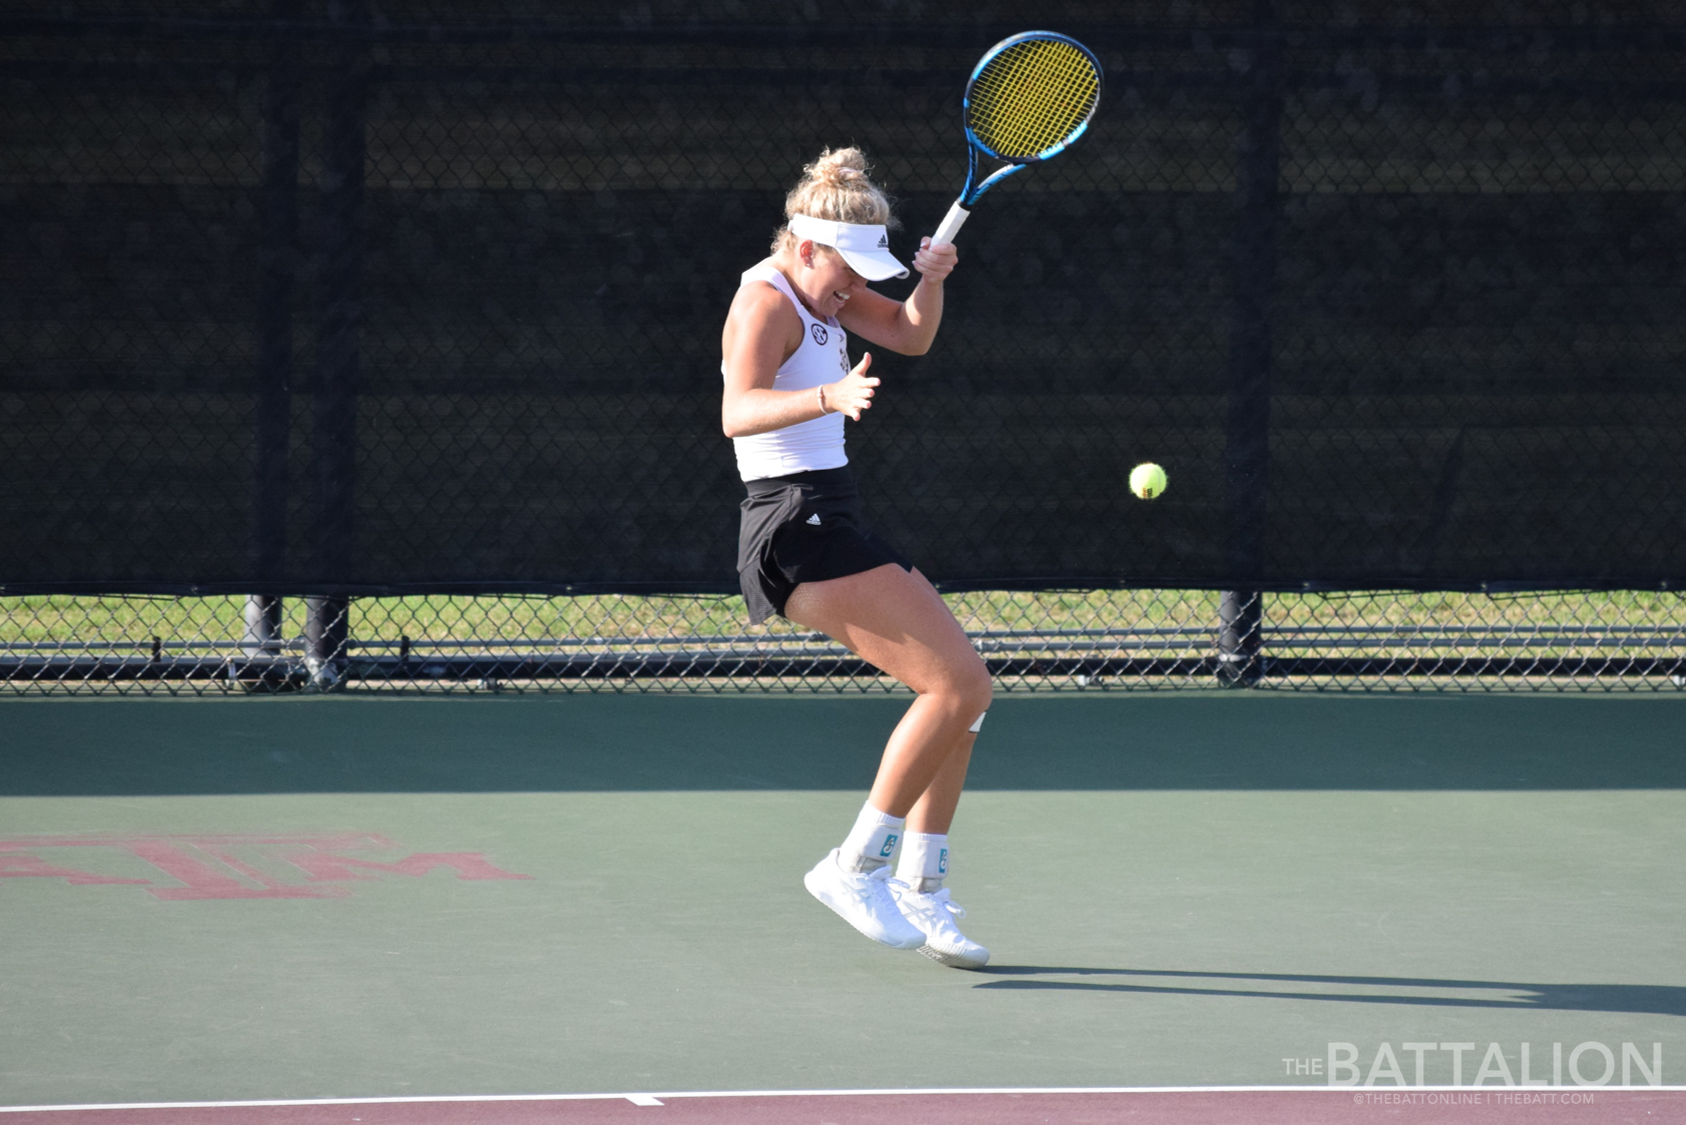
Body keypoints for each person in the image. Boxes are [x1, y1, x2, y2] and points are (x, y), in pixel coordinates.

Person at [720, 148, 992, 970]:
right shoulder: (766, 300)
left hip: (830, 509)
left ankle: (923, 885)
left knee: (964, 698)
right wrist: (827, 396)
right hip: (791, 524)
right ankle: (851, 868)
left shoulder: (826, 284)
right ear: (805, 245)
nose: (849, 291)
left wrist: (932, 278)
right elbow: (737, 410)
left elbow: (909, 334)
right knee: (959, 682)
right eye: (843, 273)